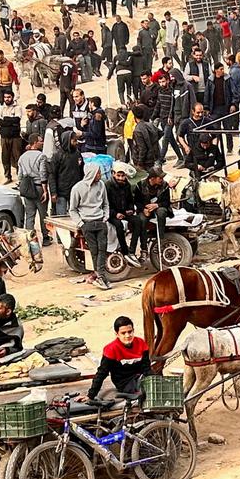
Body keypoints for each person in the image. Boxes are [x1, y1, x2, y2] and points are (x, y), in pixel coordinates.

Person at [69, 161, 111, 289]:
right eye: (98, 172)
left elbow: (105, 204)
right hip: (87, 224)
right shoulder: (77, 188)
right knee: (94, 251)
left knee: (102, 250)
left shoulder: (101, 185)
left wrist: (105, 217)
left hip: (100, 222)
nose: (100, 174)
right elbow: (73, 210)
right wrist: (81, 223)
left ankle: (101, 276)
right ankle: (100, 276)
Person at [88, 316, 149, 403]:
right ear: (117, 334)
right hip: (124, 382)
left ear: (133, 331)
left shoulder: (141, 343)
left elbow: (146, 367)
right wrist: (90, 395)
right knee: (145, 388)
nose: (127, 335)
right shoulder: (111, 349)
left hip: (139, 377)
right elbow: (102, 373)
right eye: (123, 333)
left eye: (130, 332)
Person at [0, 89, 23, 183]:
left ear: (12, 97)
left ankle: (20, 177)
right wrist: (10, 121)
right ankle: (7, 176)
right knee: (5, 157)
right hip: (4, 137)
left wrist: (5, 120)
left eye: (9, 97)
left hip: (15, 137)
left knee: (17, 157)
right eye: (5, 97)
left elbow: (17, 120)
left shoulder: (17, 107)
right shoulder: (1, 108)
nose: (7, 99)